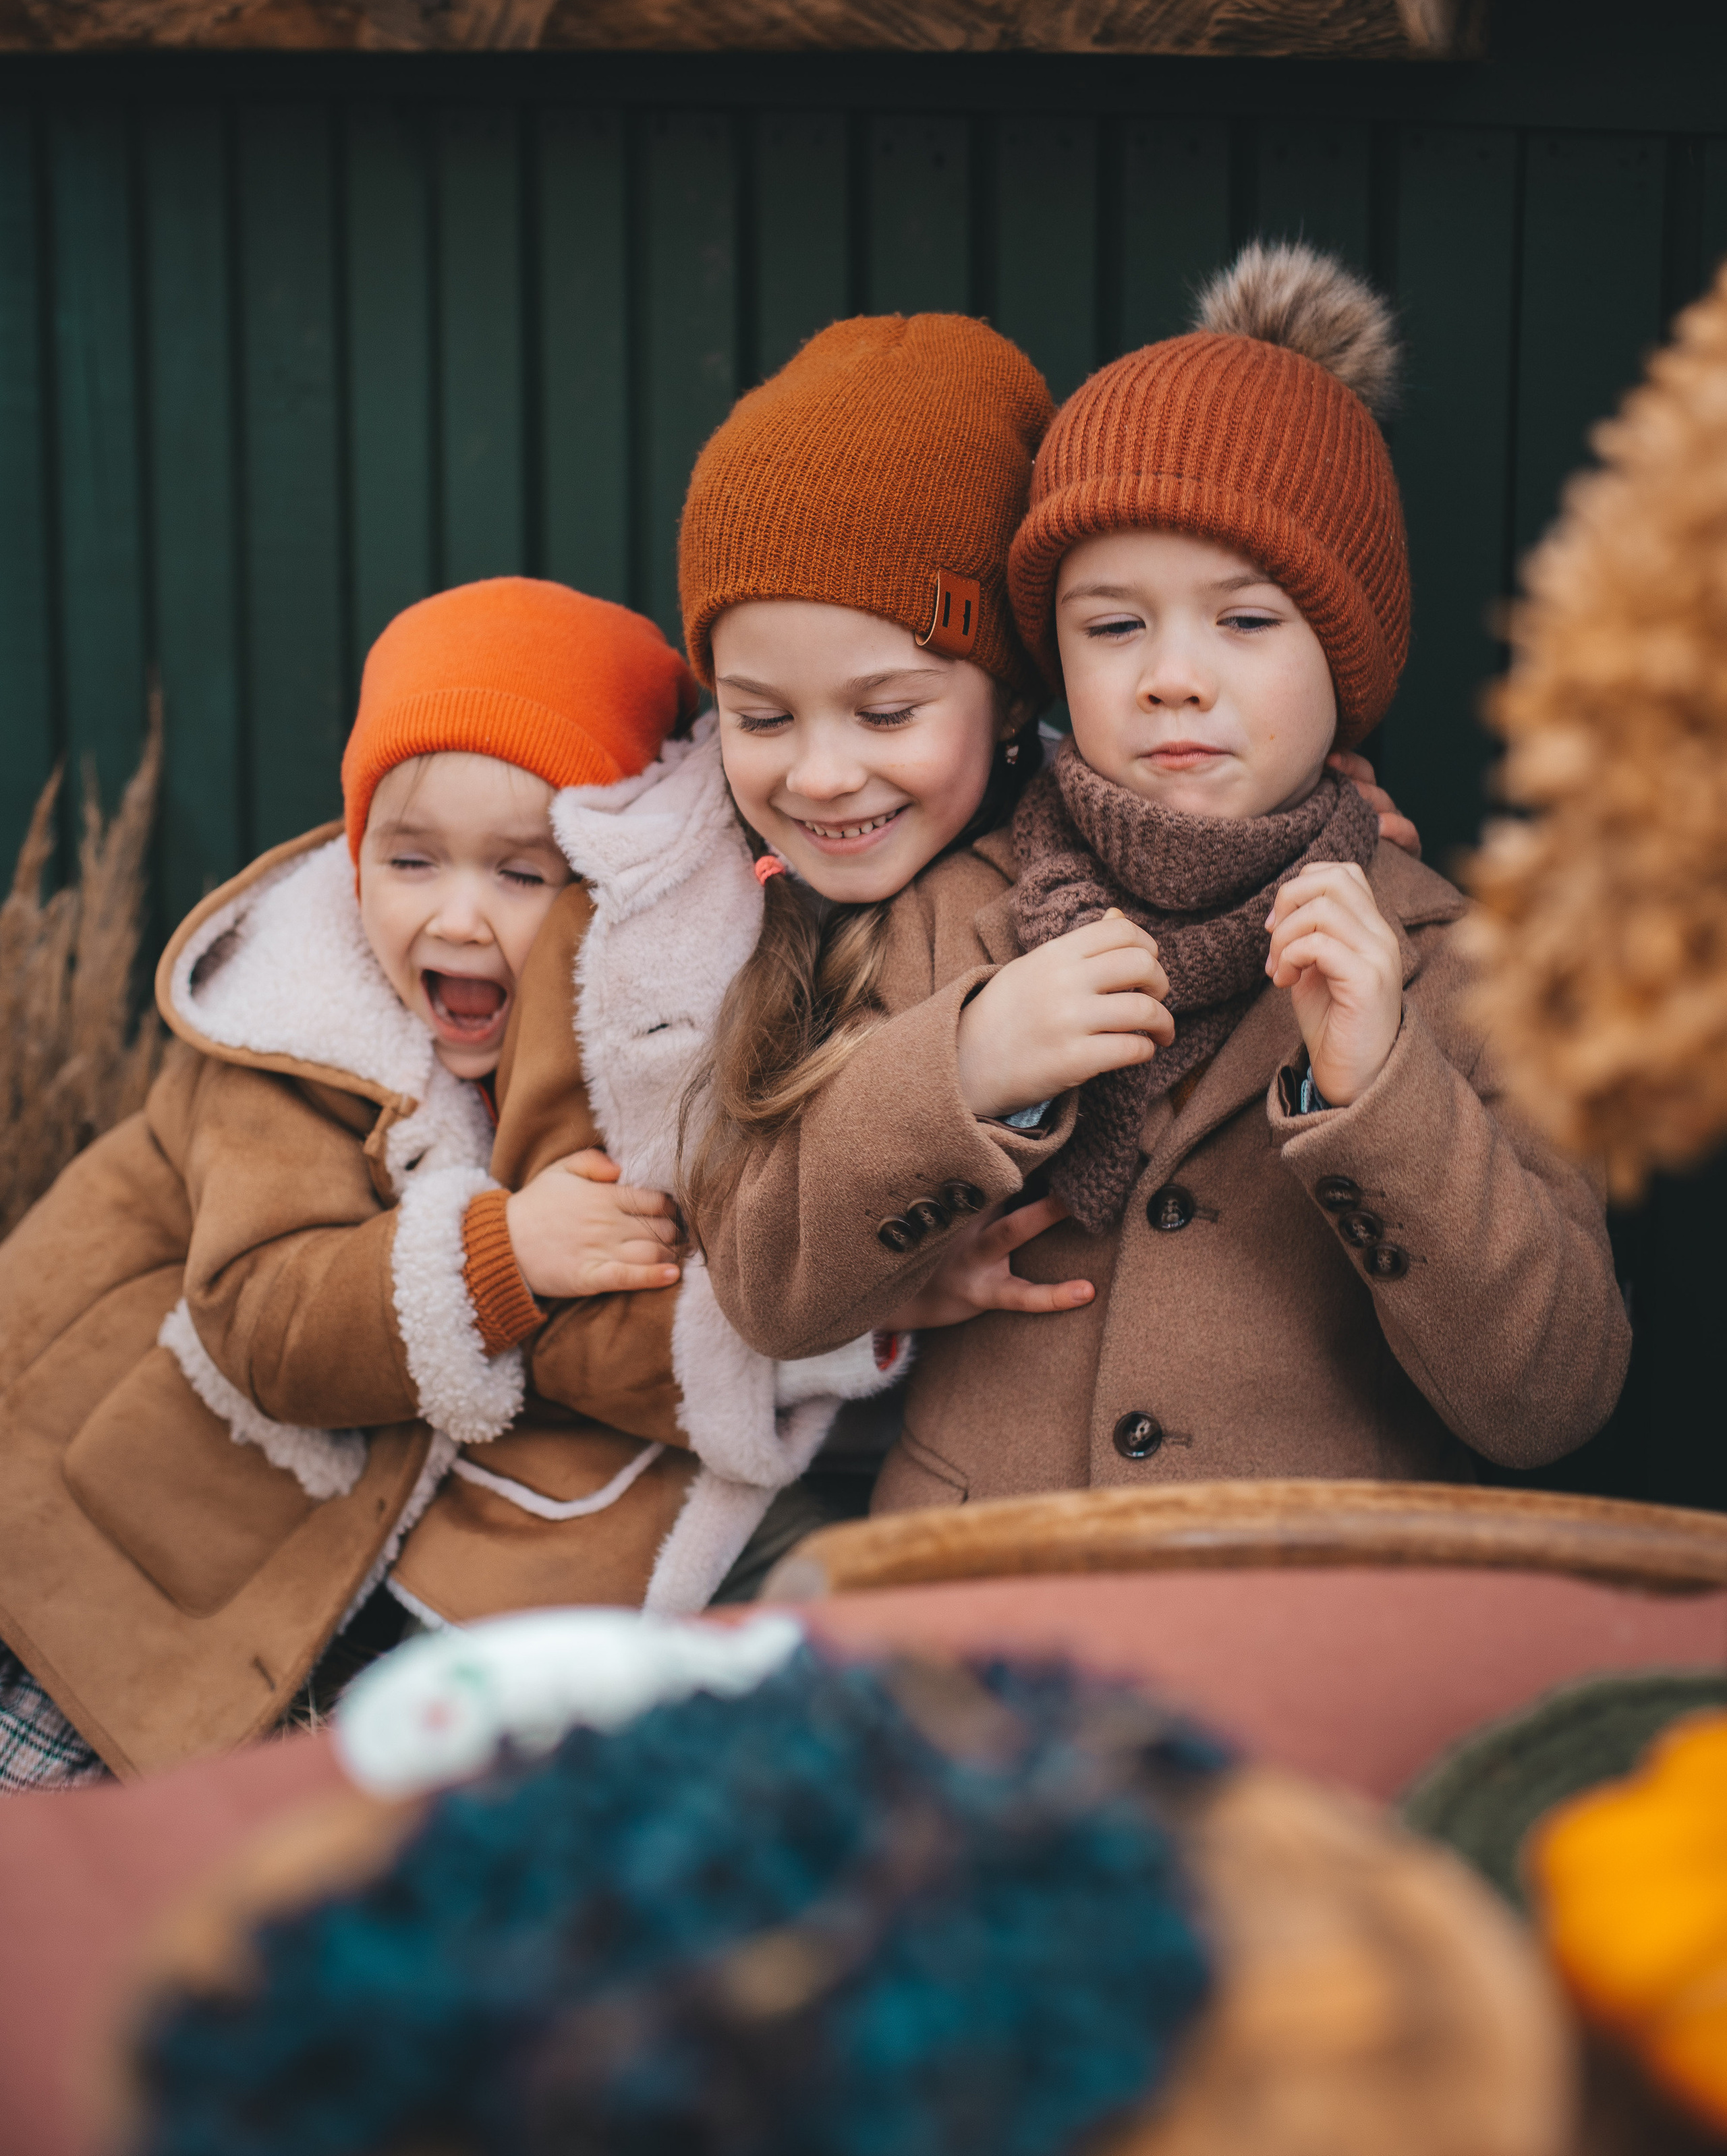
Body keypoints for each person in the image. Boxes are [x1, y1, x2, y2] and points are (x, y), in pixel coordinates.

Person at [494, 308, 1421, 1594]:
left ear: (1012, 699)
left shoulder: (1316, 898)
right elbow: (633, 1274)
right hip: (644, 1498)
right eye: (760, 715)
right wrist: (888, 1297)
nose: (822, 773)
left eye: (884, 709)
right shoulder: (646, 921)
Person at [694, 246, 1632, 1504]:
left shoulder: (1458, 962)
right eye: (1114, 624)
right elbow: (768, 1290)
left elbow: (1550, 1400)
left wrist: (1385, 1096)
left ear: (1346, 657)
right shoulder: (949, 909)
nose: (1172, 676)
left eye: (1246, 623)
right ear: (1051, 660)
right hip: (977, 1618)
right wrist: (960, 1070)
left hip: (1297, 1633)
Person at [0, 577, 701, 1784]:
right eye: (412, 859)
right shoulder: (293, 1042)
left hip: (298, 1580)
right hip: (105, 1549)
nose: (460, 917)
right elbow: (261, 1318)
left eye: (524, 875)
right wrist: (502, 1254)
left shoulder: (620, 1054)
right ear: (355, 850)